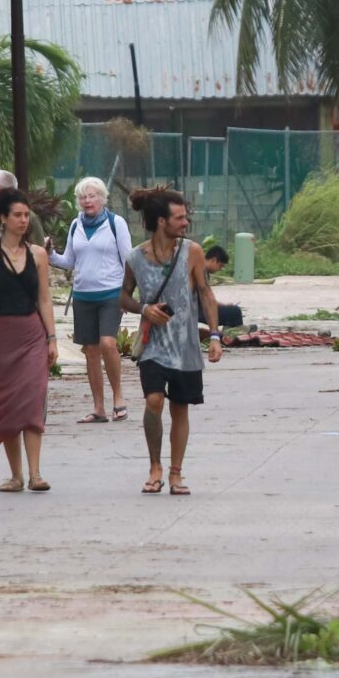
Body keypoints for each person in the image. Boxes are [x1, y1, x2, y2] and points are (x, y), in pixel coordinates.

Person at [121, 187, 224, 496]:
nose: (185, 222)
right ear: (161, 221)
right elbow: (122, 296)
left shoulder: (192, 252)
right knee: (154, 401)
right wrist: (144, 308)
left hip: (186, 347)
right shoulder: (135, 258)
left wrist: (216, 335)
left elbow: (205, 293)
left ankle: (176, 472)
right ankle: (155, 466)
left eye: (185, 216)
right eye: (179, 218)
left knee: (181, 409)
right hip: (152, 343)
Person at [0, 188, 57, 492]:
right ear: (2, 218)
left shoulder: (38, 254)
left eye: (26, 215)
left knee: (32, 399)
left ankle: (36, 473)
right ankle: (16, 474)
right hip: (0, 334)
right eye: (17, 215)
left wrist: (52, 338)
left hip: (32, 333)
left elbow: (45, 299)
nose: (23, 220)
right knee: (6, 402)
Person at [49, 176, 133, 423]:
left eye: (92, 196)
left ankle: (119, 397)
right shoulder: (76, 225)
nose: (87, 201)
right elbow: (68, 261)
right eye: (83, 197)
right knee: (91, 351)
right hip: (83, 295)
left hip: (111, 294)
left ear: (102, 198)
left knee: (108, 343)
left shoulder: (116, 223)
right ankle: (99, 407)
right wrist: (49, 253)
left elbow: (129, 259)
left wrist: (128, 294)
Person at [199, 244, 244, 335]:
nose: (220, 269)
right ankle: (233, 337)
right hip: (197, 311)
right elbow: (205, 299)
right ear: (213, 260)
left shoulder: (202, 270)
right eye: (220, 266)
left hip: (199, 308)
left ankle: (228, 335)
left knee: (231, 310)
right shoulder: (200, 271)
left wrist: (223, 305)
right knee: (235, 312)